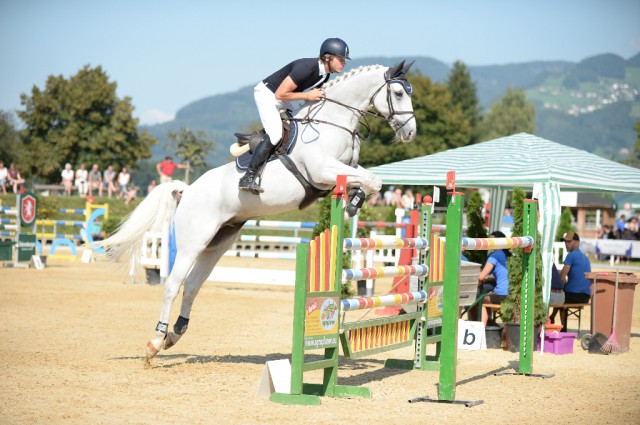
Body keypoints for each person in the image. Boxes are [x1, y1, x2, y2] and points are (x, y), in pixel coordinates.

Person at [238, 37, 350, 194]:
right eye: (340, 59)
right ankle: (248, 177)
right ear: (327, 57)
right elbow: (280, 94)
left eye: (344, 60)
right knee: (276, 135)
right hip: (268, 95)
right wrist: (308, 96)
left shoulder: (325, 75)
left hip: (283, 98)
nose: (343, 63)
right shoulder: (307, 67)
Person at [550, 231, 592, 332]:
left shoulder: (571, 255)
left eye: (569, 242)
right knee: (563, 295)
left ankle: (562, 328)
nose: (566, 244)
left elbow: (561, 277)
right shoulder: (585, 258)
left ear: (577, 243)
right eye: (565, 242)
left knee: (558, 296)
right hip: (586, 296)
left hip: (574, 295)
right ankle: (552, 317)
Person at [476, 230, 512, 325]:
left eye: (491, 241)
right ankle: (490, 322)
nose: (489, 244)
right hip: (512, 294)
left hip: (502, 294)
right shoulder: (509, 255)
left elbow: (481, 277)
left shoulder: (494, 256)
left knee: (480, 299)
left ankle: (483, 327)